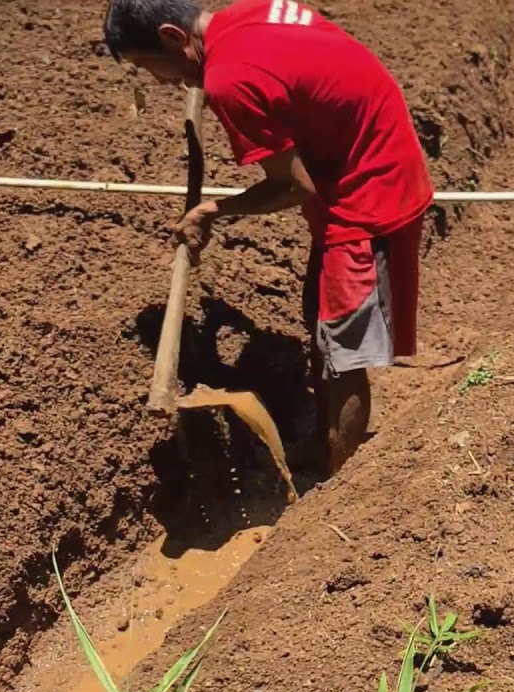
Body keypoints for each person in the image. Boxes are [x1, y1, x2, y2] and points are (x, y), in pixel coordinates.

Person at [103, 0, 433, 478]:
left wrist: (212, 210)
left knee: (342, 349)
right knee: (318, 322)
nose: (162, 82)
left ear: (174, 37)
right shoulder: (246, 14)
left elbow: (294, 187)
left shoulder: (230, 79)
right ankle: (326, 446)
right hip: (363, 153)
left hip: (369, 190)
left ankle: (341, 491)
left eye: (151, 65)